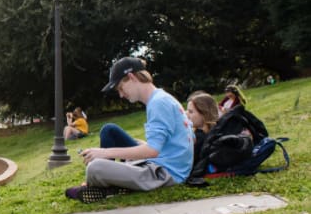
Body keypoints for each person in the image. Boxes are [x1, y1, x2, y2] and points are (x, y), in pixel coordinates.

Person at [66, 57, 194, 203]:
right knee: (109, 130)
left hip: (165, 173)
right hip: (161, 162)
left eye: (121, 88)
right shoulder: (161, 98)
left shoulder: (158, 103)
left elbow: (152, 150)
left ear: (131, 77)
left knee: (95, 168)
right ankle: (110, 182)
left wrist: (104, 153)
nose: (121, 94)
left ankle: (105, 185)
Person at [185, 91, 219, 167]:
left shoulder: (200, 137)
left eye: (191, 112)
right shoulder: (214, 131)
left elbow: (186, 162)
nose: (186, 114)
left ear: (204, 114)